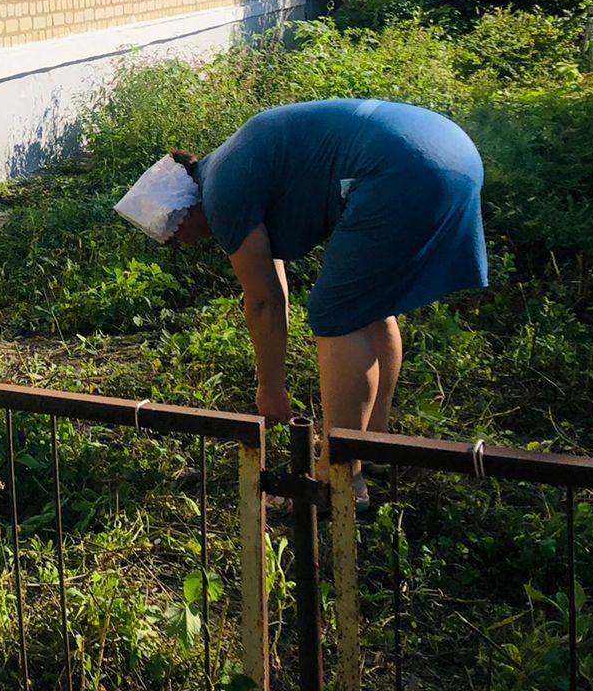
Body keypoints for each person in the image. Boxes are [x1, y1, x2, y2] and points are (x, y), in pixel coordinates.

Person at [115, 98, 488, 506]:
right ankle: (376, 444)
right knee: (371, 309)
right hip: (448, 151)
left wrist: (270, 390)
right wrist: (271, 384)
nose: (180, 243)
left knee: (337, 314)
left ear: (183, 208)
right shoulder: (233, 165)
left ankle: (340, 477)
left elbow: (263, 303)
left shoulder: (222, 193)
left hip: (398, 169)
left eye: (173, 233)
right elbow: (272, 286)